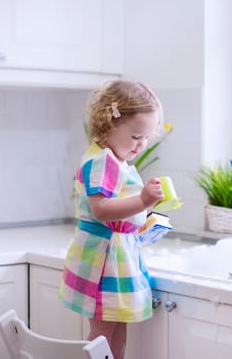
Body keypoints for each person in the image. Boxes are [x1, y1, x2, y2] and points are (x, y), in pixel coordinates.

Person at [59, 80, 165, 359]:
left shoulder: (115, 161)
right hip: (103, 259)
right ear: (108, 124)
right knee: (103, 333)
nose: (141, 144)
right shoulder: (101, 161)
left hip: (116, 253)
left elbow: (117, 208)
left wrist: (142, 217)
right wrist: (142, 201)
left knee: (117, 331)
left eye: (145, 138)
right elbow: (101, 209)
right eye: (135, 136)